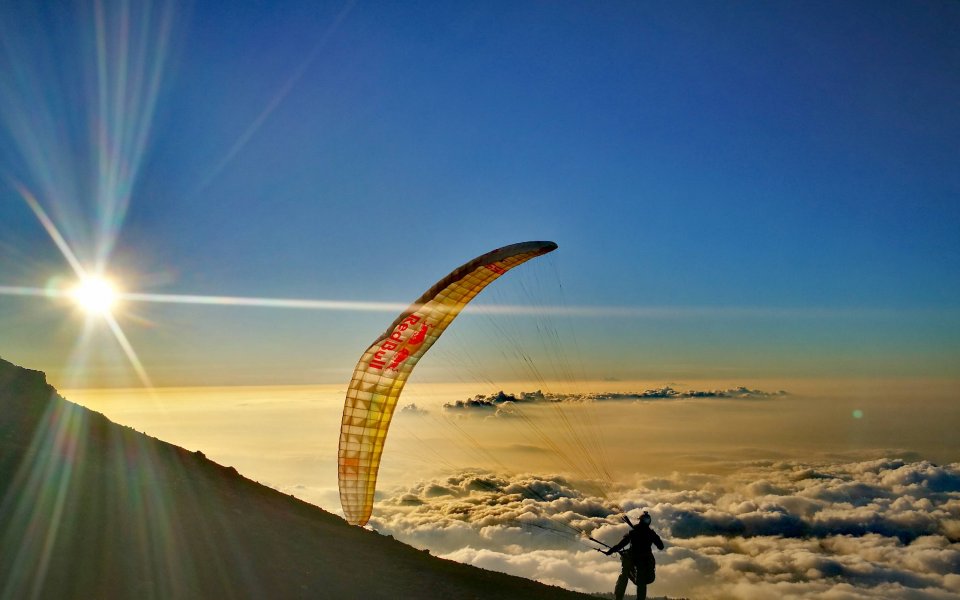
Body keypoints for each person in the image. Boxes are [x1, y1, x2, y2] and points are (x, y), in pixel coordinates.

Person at [603, 511, 664, 600]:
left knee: (624, 575)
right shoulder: (650, 534)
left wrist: (610, 552)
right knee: (641, 583)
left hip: (632, 559)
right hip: (645, 561)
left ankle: (618, 598)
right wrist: (653, 536)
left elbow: (621, 545)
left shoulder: (633, 532)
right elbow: (661, 546)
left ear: (640, 521)